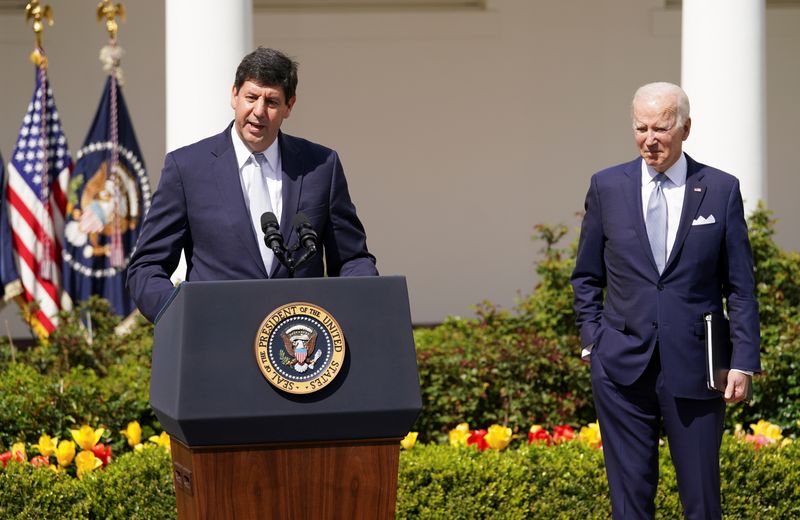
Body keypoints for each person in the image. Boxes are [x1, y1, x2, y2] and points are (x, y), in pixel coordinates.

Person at [570, 82, 760, 519]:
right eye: (641, 128)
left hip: (696, 367)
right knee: (630, 504)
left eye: (661, 128)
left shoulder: (720, 189)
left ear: (685, 129)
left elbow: (741, 287)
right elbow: (586, 275)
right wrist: (592, 340)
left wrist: (744, 360)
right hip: (620, 368)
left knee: (701, 502)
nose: (649, 139)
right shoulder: (606, 186)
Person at [127, 47, 377, 322]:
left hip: (299, 348)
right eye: (251, 97)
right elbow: (147, 266)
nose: (259, 112)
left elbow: (353, 259)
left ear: (289, 106)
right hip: (214, 341)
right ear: (234, 95)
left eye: (271, 102)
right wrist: (179, 316)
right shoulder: (187, 167)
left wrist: (359, 307)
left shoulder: (321, 166)